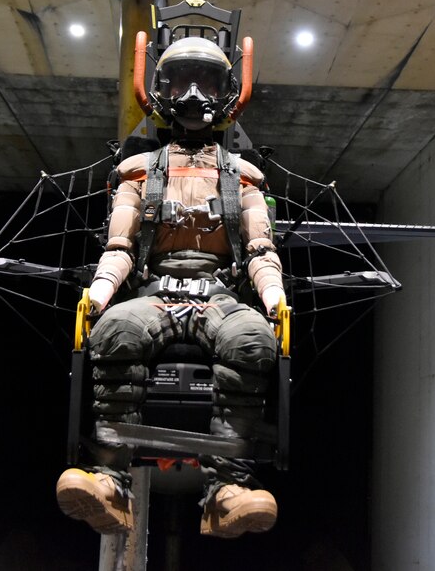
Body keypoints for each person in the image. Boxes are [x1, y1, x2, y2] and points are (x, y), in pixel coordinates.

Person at [55, 35, 286, 539]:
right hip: (153, 292)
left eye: (207, 83)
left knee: (252, 339)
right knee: (115, 329)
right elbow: (120, 246)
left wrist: (274, 297)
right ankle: (110, 483)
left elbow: (259, 250)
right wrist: (99, 294)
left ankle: (226, 490)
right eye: (182, 82)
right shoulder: (138, 172)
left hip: (220, 293)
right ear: (161, 89)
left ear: (227, 92)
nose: (194, 95)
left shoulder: (243, 176)